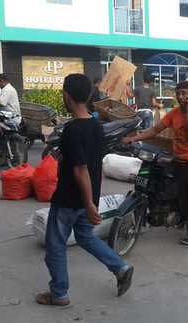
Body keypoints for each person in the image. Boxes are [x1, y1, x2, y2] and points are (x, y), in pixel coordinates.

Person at [37, 74, 134, 307]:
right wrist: (91, 200)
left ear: (66, 96)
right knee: (85, 236)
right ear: (89, 95)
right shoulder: (96, 126)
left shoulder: (72, 130)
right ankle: (120, 267)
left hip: (71, 198)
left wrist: (89, 204)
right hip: (88, 196)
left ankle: (59, 293)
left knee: (55, 245)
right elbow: (93, 163)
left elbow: (81, 169)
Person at [122, 81, 188, 255]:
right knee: (184, 202)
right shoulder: (173, 113)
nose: (181, 97)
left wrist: (187, 112)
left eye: (185, 93)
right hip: (179, 162)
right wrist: (135, 138)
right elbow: (155, 130)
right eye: (178, 93)